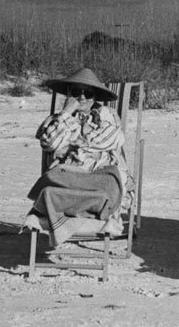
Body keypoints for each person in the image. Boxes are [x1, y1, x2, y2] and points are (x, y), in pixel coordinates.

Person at [25, 67, 128, 246]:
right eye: (76, 92)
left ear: (94, 96)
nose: (82, 97)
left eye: (87, 93)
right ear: (69, 95)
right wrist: (66, 114)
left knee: (107, 186)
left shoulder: (107, 115)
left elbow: (106, 140)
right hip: (69, 175)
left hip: (98, 174)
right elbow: (48, 143)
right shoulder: (58, 117)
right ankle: (72, 215)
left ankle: (66, 214)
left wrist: (68, 143)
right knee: (51, 184)